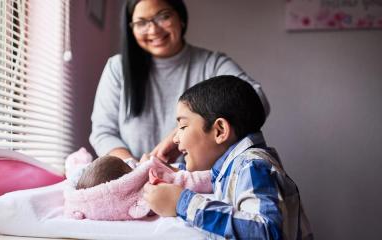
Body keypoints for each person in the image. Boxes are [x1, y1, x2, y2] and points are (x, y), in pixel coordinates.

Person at [90, 0, 270, 163]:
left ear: (181, 18)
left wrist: (179, 134)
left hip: (202, 185)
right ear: (132, 29)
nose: (153, 30)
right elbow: (103, 132)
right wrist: (135, 167)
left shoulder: (212, 64)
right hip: (136, 180)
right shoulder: (117, 68)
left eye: (164, 16)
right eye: (141, 23)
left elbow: (256, 99)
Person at [143, 76, 313, 239]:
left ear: (220, 130)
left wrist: (182, 203)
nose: (175, 138)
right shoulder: (232, 168)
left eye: (183, 126)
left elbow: (265, 232)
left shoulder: (252, 166)